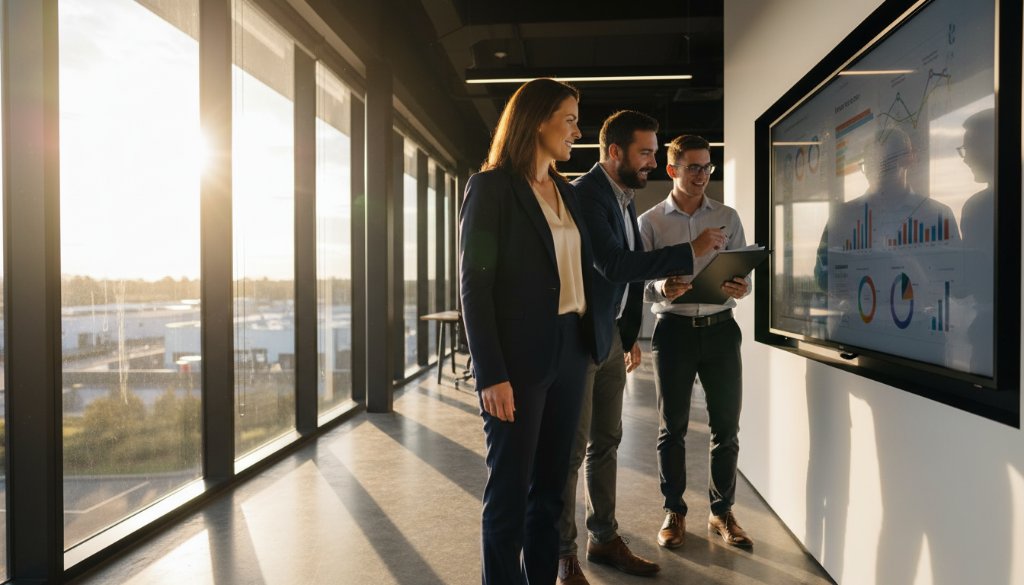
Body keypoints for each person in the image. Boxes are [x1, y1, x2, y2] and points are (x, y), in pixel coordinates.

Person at [557, 111, 726, 584]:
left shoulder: (624, 195)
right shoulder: (587, 194)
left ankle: (603, 537)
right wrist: (688, 250)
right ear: (615, 152)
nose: (655, 161)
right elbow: (612, 264)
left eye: (654, 151)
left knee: (606, 442)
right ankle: (563, 555)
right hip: (579, 339)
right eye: (646, 152)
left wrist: (628, 337)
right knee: (571, 452)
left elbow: (628, 282)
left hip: (609, 337)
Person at [460, 78, 599, 585]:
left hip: (571, 351)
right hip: (517, 363)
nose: (577, 132)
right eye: (569, 120)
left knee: (551, 493)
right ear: (537, 120)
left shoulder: (567, 190)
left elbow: (592, 268)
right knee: (511, 494)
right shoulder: (492, 187)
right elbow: (475, 288)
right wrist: (490, 373)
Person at [637, 134, 754, 549]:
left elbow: (745, 274)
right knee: (674, 429)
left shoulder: (727, 216)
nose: (702, 175)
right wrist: (660, 289)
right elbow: (638, 282)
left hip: (722, 329)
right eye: (693, 167)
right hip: (673, 333)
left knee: (727, 426)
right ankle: (674, 510)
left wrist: (742, 287)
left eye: (707, 167)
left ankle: (721, 512)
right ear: (672, 170)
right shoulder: (650, 222)